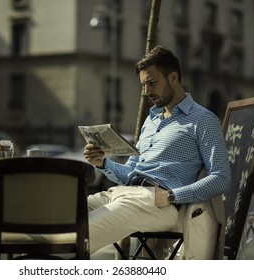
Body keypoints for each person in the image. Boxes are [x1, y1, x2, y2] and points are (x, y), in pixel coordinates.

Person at [84, 45, 231, 255]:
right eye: (143, 85)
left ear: (173, 78)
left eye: (152, 83)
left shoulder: (203, 119)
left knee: (80, 234)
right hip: (123, 193)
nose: (146, 92)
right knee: (62, 214)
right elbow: (130, 172)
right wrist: (103, 163)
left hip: (157, 202)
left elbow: (222, 177)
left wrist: (172, 196)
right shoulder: (151, 121)